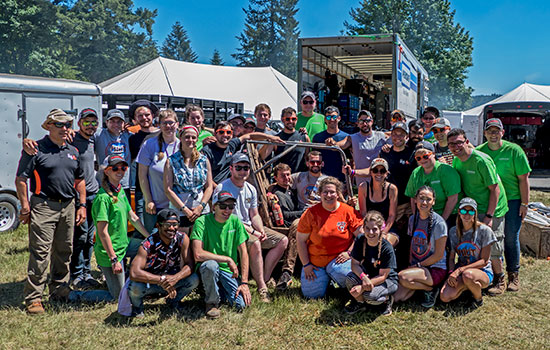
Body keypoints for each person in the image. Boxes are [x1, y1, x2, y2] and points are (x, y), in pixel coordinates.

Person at [15, 109, 87, 314]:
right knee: (40, 252)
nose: (65, 128)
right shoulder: (35, 149)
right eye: (60, 125)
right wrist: (25, 206)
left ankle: (59, 289)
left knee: (65, 250)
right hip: (44, 205)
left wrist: (81, 205)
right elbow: (21, 179)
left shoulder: (73, 150)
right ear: (49, 127)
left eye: (67, 125)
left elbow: (79, 180)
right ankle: (34, 298)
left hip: (69, 205)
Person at [214, 152, 288, 302]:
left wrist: (260, 230)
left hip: (248, 227)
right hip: (229, 229)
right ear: (231, 169)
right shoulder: (223, 187)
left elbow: (254, 214)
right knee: (255, 242)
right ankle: (262, 288)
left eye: (246, 168)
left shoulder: (251, 188)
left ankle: (264, 278)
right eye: (239, 167)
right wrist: (254, 232)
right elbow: (228, 217)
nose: (242, 171)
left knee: (283, 240)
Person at [448, 128, 509, 296]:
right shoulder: (457, 160)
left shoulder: (481, 160)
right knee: (477, 243)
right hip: (473, 208)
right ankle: (478, 275)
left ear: (467, 141)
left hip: (492, 207)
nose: (455, 147)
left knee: (493, 244)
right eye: (452, 144)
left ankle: (500, 279)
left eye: (459, 142)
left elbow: (494, 189)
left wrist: (489, 216)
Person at [80, 155, 149, 303]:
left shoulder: (120, 191)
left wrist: (150, 238)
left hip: (125, 245)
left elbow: (133, 217)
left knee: (149, 249)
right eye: (115, 168)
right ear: (106, 171)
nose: (120, 171)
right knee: (117, 297)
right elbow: (102, 232)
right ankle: (76, 296)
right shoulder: (102, 198)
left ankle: (135, 279)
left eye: (123, 168)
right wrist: (114, 259)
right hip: (110, 253)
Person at [476, 118, 531, 292]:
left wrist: (524, 203)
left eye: (496, 131)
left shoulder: (514, 151)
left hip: (513, 199)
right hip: (492, 201)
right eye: (489, 131)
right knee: (491, 238)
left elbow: (524, 179)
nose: (493, 134)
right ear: (484, 133)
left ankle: (513, 275)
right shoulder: (480, 152)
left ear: (502, 132)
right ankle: (493, 274)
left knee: (510, 237)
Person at [297, 177, 364, 299]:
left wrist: (349, 252)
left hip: (339, 261)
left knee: (351, 277)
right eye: (325, 192)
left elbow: (361, 236)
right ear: (320, 193)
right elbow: (300, 241)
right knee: (311, 296)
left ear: (338, 194)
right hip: (316, 262)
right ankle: (328, 282)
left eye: (332, 192)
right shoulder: (310, 213)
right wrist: (306, 265)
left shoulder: (348, 211)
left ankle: (341, 283)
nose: (329, 195)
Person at [128, 208, 200, 317]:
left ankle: (174, 300)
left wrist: (176, 278)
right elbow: (134, 273)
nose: (171, 228)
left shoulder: (182, 238)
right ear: (158, 225)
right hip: (151, 282)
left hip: (173, 280)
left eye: (175, 224)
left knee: (194, 279)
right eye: (167, 225)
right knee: (135, 287)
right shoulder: (147, 244)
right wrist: (162, 280)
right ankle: (137, 307)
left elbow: (190, 265)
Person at [190, 192, 251, 319]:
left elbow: (243, 252)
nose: (227, 210)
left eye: (231, 206)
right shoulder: (201, 222)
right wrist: (227, 259)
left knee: (241, 305)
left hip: (228, 271)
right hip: (208, 267)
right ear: (214, 207)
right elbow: (198, 254)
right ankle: (211, 302)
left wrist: (244, 282)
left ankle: (215, 290)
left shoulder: (235, 221)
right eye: (223, 206)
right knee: (211, 266)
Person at [394, 186, 448, 309]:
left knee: (402, 277)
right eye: (421, 198)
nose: (424, 202)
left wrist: (418, 266)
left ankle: (432, 289)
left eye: (428, 199)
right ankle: (423, 288)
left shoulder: (439, 223)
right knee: (398, 297)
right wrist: (411, 264)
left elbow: (439, 255)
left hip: (435, 268)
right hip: (419, 267)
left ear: (433, 201)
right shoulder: (413, 219)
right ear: (415, 200)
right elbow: (411, 246)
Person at [440, 198, 496, 308]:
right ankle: (469, 288)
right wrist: (451, 273)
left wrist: (460, 270)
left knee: (468, 275)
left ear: (475, 213)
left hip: (482, 271)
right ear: (459, 212)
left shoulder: (484, 231)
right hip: (462, 271)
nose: (467, 215)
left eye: (471, 211)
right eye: (464, 211)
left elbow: (484, 261)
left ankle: (477, 299)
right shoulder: (453, 232)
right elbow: (451, 258)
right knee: (444, 296)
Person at [345, 211, 399, 316]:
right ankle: (360, 303)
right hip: (367, 275)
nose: (370, 232)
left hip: (387, 280)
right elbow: (354, 264)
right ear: (363, 228)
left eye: (374, 229)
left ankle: (386, 301)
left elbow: (383, 276)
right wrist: (363, 277)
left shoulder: (386, 248)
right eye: (367, 229)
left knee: (370, 296)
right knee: (349, 279)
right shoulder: (360, 240)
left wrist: (362, 287)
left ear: (380, 229)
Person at [136, 109, 180, 233]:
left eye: (171, 123)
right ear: (159, 125)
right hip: (156, 205)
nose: (168, 126)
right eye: (164, 123)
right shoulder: (149, 145)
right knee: (155, 239)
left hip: (177, 205)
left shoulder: (183, 146)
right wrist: (148, 199)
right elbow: (142, 174)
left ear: (177, 124)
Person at [164, 125, 213, 233]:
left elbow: (209, 187)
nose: (190, 140)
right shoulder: (171, 161)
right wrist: (184, 209)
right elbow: (168, 190)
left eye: (193, 137)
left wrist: (201, 207)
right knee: (183, 246)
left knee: (199, 245)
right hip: (179, 211)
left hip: (201, 210)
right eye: (187, 137)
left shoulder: (204, 160)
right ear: (180, 138)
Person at [202, 120, 283, 185]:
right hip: (214, 191)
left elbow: (249, 136)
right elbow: (204, 177)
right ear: (215, 133)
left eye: (228, 132)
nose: (225, 135)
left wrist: (270, 137)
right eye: (221, 132)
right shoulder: (207, 151)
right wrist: (220, 189)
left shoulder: (231, 145)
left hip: (231, 187)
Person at [405, 141, 461, 227]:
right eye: (418, 158)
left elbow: (453, 199)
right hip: (424, 215)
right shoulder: (416, 173)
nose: (422, 160)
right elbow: (413, 198)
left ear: (434, 154)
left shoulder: (446, 171)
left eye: (425, 156)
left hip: (447, 215)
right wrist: (417, 217)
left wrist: (441, 221)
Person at [327, 110, 388, 186]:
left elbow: (397, 138)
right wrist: (332, 143)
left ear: (372, 121)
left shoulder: (381, 135)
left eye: (367, 121)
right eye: (361, 121)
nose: (365, 124)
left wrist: (389, 147)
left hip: (380, 182)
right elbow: (339, 145)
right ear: (357, 124)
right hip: (362, 184)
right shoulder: (353, 138)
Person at [270, 163, 305, 290]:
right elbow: (285, 215)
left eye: (288, 175)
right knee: (297, 227)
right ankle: (287, 272)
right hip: (290, 225)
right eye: (282, 176)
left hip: (300, 220)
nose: (286, 178)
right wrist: (304, 212)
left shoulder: (289, 189)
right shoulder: (278, 193)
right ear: (276, 178)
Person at [128, 100, 160, 222]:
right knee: (143, 224)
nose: (144, 118)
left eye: (147, 115)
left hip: (161, 187)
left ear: (152, 116)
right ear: (135, 119)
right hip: (141, 189)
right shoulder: (132, 139)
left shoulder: (162, 135)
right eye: (140, 116)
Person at [358, 158, 398, 245]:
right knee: (362, 237)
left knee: (385, 243)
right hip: (369, 225)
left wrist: (383, 232)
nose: (378, 174)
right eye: (375, 170)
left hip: (388, 226)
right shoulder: (363, 187)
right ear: (371, 172)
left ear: (387, 173)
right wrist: (368, 229)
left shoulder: (392, 189)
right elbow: (363, 213)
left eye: (382, 171)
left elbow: (391, 215)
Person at [94, 109, 132, 197]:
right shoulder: (99, 134)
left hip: (124, 184)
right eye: (112, 121)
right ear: (106, 122)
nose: (116, 125)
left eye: (119, 122)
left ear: (124, 123)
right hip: (104, 184)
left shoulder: (129, 136)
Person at [260, 107, 310, 173]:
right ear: (282, 120)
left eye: (293, 119)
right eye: (287, 119)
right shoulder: (276, 138)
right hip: (282, 179)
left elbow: (307, 159)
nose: (291, 121)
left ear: (297, 119)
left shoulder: (304, 137)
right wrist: (269, 141)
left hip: (299, 179)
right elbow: (262, 156)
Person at [313, 106, 349, 182]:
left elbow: (352, 161)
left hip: (341, 180)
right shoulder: (317, 137)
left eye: (334, 117)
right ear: (325, 119)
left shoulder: (346, 138)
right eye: (328, 117)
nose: (331, 119)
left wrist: (349, 181)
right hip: (321, 179)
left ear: (339, 118)